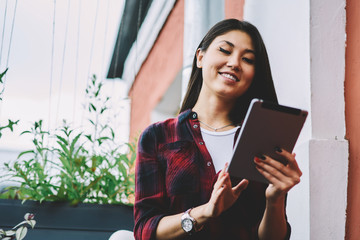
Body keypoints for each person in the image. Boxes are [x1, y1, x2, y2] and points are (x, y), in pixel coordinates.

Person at [134, 18, 302, 240]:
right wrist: (205, 212)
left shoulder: (262, 141)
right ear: (200, 57)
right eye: (225, 50)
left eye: (248, 59)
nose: (234, 63)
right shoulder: (158, 137)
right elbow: (145, 230)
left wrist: (276, 198)